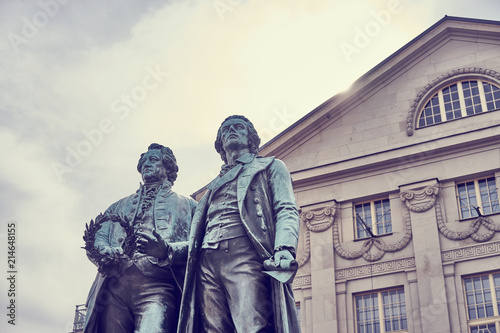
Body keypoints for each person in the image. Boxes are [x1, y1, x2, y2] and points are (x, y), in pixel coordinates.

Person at [178, 115, 301, 333]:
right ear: (220, 145)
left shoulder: (271, 166)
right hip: (207, 261)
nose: (231, 131)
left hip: (244, 255)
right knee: (212, 329)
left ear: (251, 138)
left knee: (251, 325)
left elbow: (286, 209)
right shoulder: (210, 189)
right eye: (225, 130)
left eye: (238, 127)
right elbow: (194, 237)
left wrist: (284, 247)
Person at [83, 143, 196, 333]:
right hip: (113, 290)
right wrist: (104, 251)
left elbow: (199, 245)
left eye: (153, 160)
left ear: (167, 167)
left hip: (157, 288)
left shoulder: (188, 206)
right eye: (144, 161)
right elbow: (98, 236)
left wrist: (167, 251)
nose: (146, 164)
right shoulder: (118, 206)